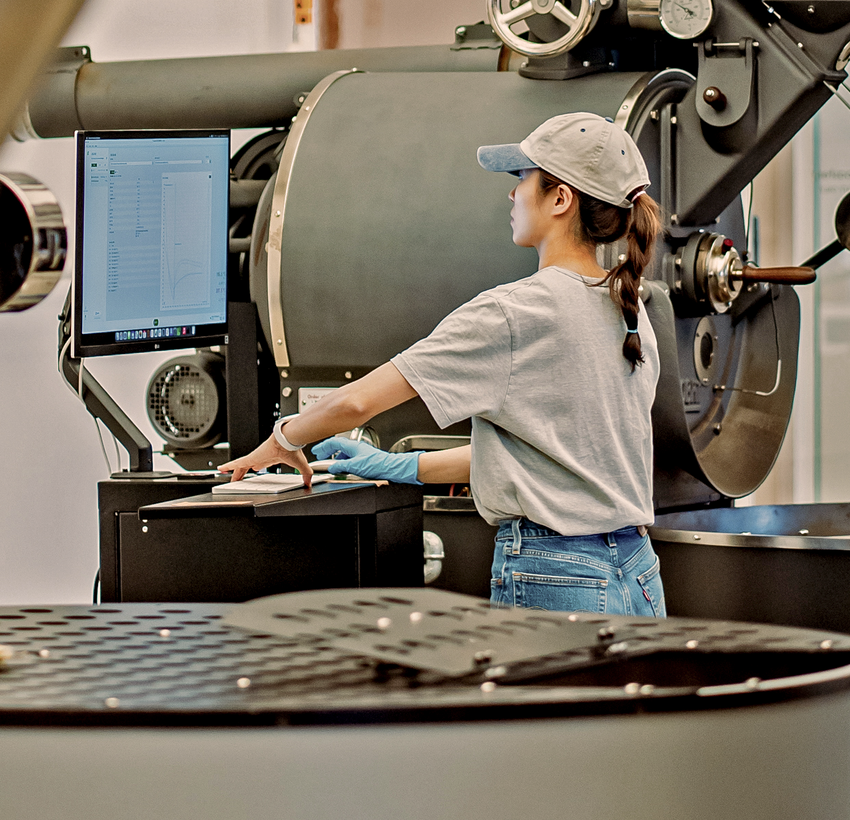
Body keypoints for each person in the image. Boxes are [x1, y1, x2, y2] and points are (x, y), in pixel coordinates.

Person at [218, 112, 666, 617]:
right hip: (637, 573)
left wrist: (284, 439)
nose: (512, 194)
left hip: (556, 572)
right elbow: (552, 456)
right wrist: (401, 466)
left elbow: (356, 403)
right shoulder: (627, 309)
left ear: (560, 198)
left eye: (523, 178)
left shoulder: (513, 312)